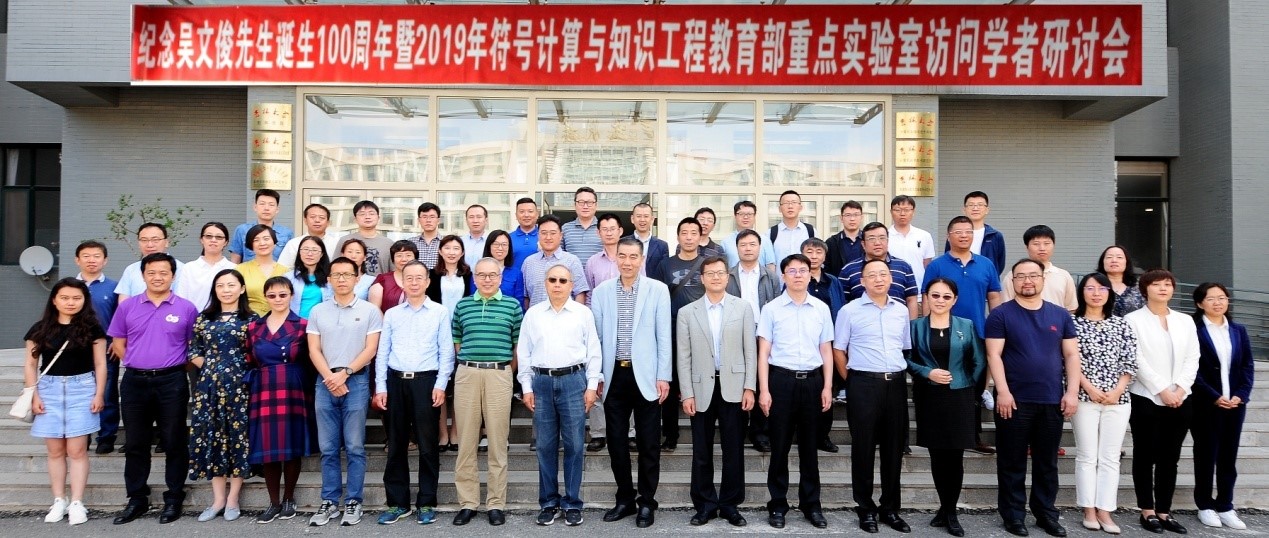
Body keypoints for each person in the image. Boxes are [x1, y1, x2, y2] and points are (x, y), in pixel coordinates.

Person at [985, 258, 1081, 538]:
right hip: (1013, 400)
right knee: (1011, 461)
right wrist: (1002, 391)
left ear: (1043, 279)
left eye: (1033, 276)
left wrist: (1072, 392)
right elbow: (994, 355)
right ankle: (1014, 516)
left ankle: (1046, 514)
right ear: (1012, 281)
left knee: (1047, 463)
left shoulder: (1060, 315)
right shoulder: (1001, 315)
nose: (1027, 281)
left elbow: (1071, 355)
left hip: (1051, 399)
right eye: (1021, 276)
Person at [108, 253, 199, 525]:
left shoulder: (186, 308)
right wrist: (139, 362)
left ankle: (174, 497)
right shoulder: (128, 306)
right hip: (135, 382)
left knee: (174, 440)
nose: (157, 277)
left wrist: (170, 366)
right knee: (136, 442)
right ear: (143, 275)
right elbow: (118, 343)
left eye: (163, 272)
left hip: (172, 382)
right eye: (151, 272)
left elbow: (192, 347)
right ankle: (137, 498)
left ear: (173, 276)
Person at [592, 237, 673, 528]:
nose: (627, 262)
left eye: (633, 257)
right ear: (616, 258)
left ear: (641, 259)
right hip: (614, 374)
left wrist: (664, 375)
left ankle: (647, 502)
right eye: (622, 256)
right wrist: (597, 375)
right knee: (616, 442)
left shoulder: (657, 290)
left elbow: (664, 336)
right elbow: (596, 338)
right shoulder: (601, 292)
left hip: (647, 375)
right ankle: (625, 498)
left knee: (649, 443)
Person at [518, 264, 602, 527]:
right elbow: (524, 352)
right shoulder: (533, 314)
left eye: (563, 280)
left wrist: (591, 385)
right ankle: (549, 502)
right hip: (541, 382)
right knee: (545, 445)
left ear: (571, 285)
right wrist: (526, 387)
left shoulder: (582, 314)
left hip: (573, 381)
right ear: (545, 283)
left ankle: (572, 502)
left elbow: (593, 351)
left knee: (575, 445)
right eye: (552, 279)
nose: (557, 284)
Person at [835, 259, 913, 534]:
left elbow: (904, 347)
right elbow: (839, 350)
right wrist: (853, 381)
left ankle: (890, 508)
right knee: (863, 448)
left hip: (895, 384)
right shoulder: (849, 311)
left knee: (893, 449)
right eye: (872, 275)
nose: (878, 279)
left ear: (891, 278)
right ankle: (865, 508)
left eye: (883, 274)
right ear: (862, 281)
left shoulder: (901, 310)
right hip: (863, 384)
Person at [374, 261, 455, 525]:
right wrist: (381, 386)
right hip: (396, 382)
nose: (414, 282)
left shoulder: (439, 312)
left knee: (428, 445)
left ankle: (426, 502)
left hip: (426, 382)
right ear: (403, 282)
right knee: (396, 444)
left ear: (428, 282)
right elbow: (382, 352)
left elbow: (446, 352)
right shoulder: (392, 314)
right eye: (409, 278)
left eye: (419, 277)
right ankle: (397, 503)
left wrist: (441, 384)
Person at [676, 256, 755, 527]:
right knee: (701, 450)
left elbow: (750, 351)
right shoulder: (687, 312)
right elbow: (683, 356)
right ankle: (705, 505)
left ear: (727, 277)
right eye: (710, 273)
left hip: (734, 387)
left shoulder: (742, 308)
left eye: (720, 273)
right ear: (702, 278)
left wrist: (750, 387)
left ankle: (730, 505)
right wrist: (687, 393)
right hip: (701, 389)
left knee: (734, 449)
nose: (716, 278)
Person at [305, 257, 384, 527]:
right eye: (336, 275)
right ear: (328, 279)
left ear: (357, 278)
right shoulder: (318, 311)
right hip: (325, 382)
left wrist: (345, 373)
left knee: (354, 446)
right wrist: (330, 377)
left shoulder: (370, 311)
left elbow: (370, 349)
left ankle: (353, 501)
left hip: (356, 381)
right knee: (328, 448)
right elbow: (313, 349)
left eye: (347, 274)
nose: (341, 279)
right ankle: (329, 501)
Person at [757, 254, 833, 530]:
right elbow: (763, 352)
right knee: (779, 447)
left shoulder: (821, 308)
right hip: (781, 381)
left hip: (812, 381)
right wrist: (764, 390)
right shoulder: (771, 309)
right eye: (792, 271)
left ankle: (811, 504)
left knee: (810, 448)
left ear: (810, 275)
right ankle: (778, 504)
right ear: (783, 276)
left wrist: (827, 386)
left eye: (803, 270)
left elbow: (826, 350)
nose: (798, 275)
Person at [907, 278, 986, 537]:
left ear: (954, 300)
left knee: (955, 457)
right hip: (929, 396)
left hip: (959, 397)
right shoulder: (915, 327)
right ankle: (944, 507)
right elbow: (906, 359)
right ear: (926, 297)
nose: (940, 300)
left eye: (946, 296)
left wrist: (968, 387)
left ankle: (950, 512)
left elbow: (979, 360)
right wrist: (927, 372)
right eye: (935, 295)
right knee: (937, 456)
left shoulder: (966, 325)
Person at [1124, 269, 1200, 535]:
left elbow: (1193, 357)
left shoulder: (1185, 320)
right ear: (1145, 290)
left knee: (1171, 457)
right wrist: (1162, 389)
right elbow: (1137, 359)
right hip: (1146, 397)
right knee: (1145, 456)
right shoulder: (1133, 320)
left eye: (1167, 284)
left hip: (1181, 398)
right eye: (1156, 284)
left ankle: (1165, 511)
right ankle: (1147, 510)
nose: (1163, 288)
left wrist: (1180, 389)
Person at [25, 278, 106, 526]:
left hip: (82, 389)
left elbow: (100, 363)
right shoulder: (39, 329)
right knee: (55, 451)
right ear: (54, 300)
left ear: (84, 301)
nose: (71, 302)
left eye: (76, 298)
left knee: (77, 450)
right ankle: (59, 500)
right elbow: (30, 364)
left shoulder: (93, 328)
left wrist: (99, 394)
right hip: (48, 390)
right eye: (65, 298)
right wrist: (34, 395)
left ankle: (77, 502)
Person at [450, 257, 523, 527]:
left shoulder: (512, 306)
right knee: (466, 441)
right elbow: (457, 341)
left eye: (492, 275)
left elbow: (517, 346)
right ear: (474, 278)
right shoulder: (463, 306)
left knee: (497, 441)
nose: (487, 279)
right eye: (482, 275)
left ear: (500, 277)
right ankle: (468, 503)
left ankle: (495, 503)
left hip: (499, 374)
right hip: (468, 373)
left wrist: (505, 371)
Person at [925, 216, 1003, 455]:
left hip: (977, 333)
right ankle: (944, 434)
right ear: (948, 236)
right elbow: (928, 299)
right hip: (943, 335)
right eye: (958, 232)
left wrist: (997, 329)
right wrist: (927, 330)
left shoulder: (986, 264)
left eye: (968, 232)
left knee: (975, 387)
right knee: (946, 386)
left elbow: (994, 298)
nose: (963, 236)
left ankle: (973, 436)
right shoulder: (937, 265)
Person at [245, 276, 317, 523]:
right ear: (265, 297)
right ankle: (273, 502)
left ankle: (288, 498)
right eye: (272, 295)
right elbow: (249, 359)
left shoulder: (303, 325)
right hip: (264, 386)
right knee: (268, 448)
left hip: (294, 385)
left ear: (291, 296)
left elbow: (310, 359)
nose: (277, 299)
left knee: (291, 445)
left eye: (283, 294)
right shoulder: (254, 327)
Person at [1070, 273, 1137, 535]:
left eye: (1102, 288)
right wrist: (1088, 387)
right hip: (1084, 398)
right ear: (1082, 292)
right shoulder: (1072, 323)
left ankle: (1105, 510)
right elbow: (1068, 360)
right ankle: (1088, 509)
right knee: (1087, 455)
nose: (1096, 293)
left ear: (1110, 293)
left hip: (1118, 400)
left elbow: (1130, 361)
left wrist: (1118, 389)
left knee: (1110, 457)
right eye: (1090, 288)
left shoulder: (1121, 324)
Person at [187, 269, 254, 523]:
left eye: (231, 285)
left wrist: (234, 370)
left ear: (242, 288)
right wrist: (212, 367)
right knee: (213, 437)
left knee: (238, 438)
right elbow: (193, 350)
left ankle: (233, 498)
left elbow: (255, 352)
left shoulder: (251, 319)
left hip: (240, 387)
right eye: (220, 286)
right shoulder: (204, 318)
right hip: (209, 387)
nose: (226, 290)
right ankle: (217, 500)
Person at [1191, 282, 1254, 530]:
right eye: (1211, 298)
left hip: (1235, 405)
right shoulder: (1194, 330)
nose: (1218, 302)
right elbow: (1192, 369)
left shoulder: (1238, 330)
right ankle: (1205, 505)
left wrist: (1241, 395)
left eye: (1222, 297)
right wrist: (1213, 396)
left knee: (1228, 457)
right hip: (1206, 404)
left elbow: (1247, 366)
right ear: (1200, 303)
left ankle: (1226, 505)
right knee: (1206, 456)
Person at [650, 217, 708, 452]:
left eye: (694, 233)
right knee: (671, 383)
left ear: (700, 237)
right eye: (684, 233)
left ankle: (701, 433)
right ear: (678, 236)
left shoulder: (708, 264)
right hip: (672, 330)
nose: (689, 237)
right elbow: (657, 297)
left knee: (701, 380)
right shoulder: (665, 265)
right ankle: (670, 435)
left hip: (702, 331)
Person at [728, 229, 782, 453]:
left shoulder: (771, 277)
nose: (748, 249)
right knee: (737, 381)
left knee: (762, 383)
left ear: (760, 248)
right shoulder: (728, 275)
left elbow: (777, 307)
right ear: (737, 249)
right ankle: (737, 430)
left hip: (763, 334)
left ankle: (760, 433)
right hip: (734, 334)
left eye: (752, 244)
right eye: (743, 245)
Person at [582, 213, 627, 451]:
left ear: (621, 231)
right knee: (597, 374)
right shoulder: (592, 262)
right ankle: (599, 432)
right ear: (598, 233)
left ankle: (630, 432)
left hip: (628, 324)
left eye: (613, 228)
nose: (609, 232)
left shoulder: (630, 258)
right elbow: (589, 294)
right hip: (599, 324)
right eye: (604, 229)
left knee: (629, 377)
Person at [73, 241, 120, 455]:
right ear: (77, 260)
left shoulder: (114, 287)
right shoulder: (68, 287)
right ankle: (80, 435)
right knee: (79, 394)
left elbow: (120, 318)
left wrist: (117, 341)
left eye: (96, 256)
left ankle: (106, 437)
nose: (91, 260)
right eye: (86, 256)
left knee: (107, 393)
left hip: (106, 349)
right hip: (75, 349)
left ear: (105, 260)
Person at [428, 235, 473, 451]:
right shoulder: (431, 275)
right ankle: (442, 433)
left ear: (462, 252)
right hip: (438, 333)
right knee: (440, 383)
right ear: (440, 251)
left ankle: (455, 431)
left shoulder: (469, 274)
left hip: (463, 333)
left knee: (459, 384)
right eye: (447, 248)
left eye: (456, 248)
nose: (452, 252)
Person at [801, 237, 843, 454]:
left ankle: (822, 436)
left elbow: (841, 310)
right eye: (809, 252)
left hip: (828, 342)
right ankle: (802, 434)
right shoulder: (796, 278)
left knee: (827, 389)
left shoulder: (833, 281)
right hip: (803, 342)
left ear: (825, 256)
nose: (814, 256)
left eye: (818, 252)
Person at [839, 222, 919, 319]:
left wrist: (912, 325)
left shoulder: (904, 267)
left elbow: (911, 299)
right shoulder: (848, 270)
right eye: (872, 238)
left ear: (888, 241)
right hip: (862, 324)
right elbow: (842, 302)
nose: (877, 243)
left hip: (897, 323)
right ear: (863, 244)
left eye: (882, 238)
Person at [1000, 225, 1077, 311]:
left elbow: (1071, 308)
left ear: (1053, 245)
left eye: (1046, 243)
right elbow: (1005, 308)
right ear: (1027, 247)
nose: (1042, 248)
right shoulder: (1015, 276)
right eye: (1036, 244)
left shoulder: (1064, 276)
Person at [522, 214, 589, 308]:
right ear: (538, 235)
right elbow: (526, 297)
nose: (548, 237)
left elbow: (580, 293)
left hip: (566, 316)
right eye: (544, 233)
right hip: (536, 316)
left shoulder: (572, 261)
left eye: (553, 233)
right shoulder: (529, 262)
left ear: (561, 235)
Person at [174, 222, 237, 311]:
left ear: (226, 242)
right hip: (194, 317)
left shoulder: (234, 268)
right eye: (208, 236)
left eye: (219, 237)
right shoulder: (189, 268)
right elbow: (181, 299)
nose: (213, 240)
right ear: (201, 240)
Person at [114, 222, 185, 302]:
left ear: (166, 242)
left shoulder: (182, 269)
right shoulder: (131, 270)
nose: (150, 245)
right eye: (144, 240)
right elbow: (123, 303)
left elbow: (183, 302)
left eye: (155, 240)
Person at [944, 191, 1006, 274]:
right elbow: (948, 257)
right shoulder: (955, 234)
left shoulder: (995, 236)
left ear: (987, 210)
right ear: (964, 210)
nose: (975, 208)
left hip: (985, 278)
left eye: (980, 205)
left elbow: (1000, 264)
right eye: (971, 205)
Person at [237, 224, 289, 316]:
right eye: (256, 240)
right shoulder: (240, 270)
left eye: (266, 239)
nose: (262, 243)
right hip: (250, 319)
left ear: (274, 242)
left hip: (280, 319)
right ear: (251, 244)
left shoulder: (286, 272)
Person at [229, 189, 294, 263]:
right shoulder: (242, 230)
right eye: (262, 204)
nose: (266, 208)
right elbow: (235, 260)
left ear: (277, 209)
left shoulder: (286, 233)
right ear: (255, 207)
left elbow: (290, 261)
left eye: (271, 205)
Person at [887, 195, 936, 294]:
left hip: (918, 291)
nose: (902, 214)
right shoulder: (884, 236)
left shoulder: (924, 236)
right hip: (891, 292)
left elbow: (927, 265)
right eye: (897, 210)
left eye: (907, 210)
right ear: (891, 212)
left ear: (913, 212)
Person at [336, 200, 394, 276]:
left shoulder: (388, 243)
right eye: (362, 214)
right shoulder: (345, 240)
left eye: (371, 213)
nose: (367, 217)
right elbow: (335, 267)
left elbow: (394, 271)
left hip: (380, 283)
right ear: (355, 219)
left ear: (378, 218)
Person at [278, 203, 340, 269]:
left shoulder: (337, 243)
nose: (317, 220)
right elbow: (282, 268)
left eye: (322, 218)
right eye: (312, 217)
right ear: (305, 220)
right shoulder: (294, 243)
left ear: (328, 222)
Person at [721, 200, 777, 270]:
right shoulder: (726, 242)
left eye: (749, 214)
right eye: (741, 214)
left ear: (754, 216)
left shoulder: (765, 240)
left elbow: (770, 266)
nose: (745, 217)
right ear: (735, 216)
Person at [285, 236, 333, 319]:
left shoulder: (330, 278)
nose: (309, 254)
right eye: (305, 249)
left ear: (322, 254)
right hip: (296, 324)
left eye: (314, 250)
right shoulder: (289, 277)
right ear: (299, 252)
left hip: (321, 323)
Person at [369, 240, 420, 314]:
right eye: (399, 255)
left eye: (408, 255)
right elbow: (375, 310)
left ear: (415, 258)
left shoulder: (423, 280)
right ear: (393, 259)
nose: (404, 259)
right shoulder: (382, 280)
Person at [1095, 245, 1146, 317]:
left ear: (1126, 262)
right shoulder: (1094, 286)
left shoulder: (1139, 287)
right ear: (1102, 262)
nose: (1114, 260)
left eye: (1119, 257)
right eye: (1109, 257)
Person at [562, 186, 603, 265]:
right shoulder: (565, 228)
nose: (585, 206)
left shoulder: (604, 228)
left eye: (590, 202)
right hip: (571, 273)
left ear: (596, 205)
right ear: (574, 205)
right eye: (581, 202)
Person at [770, 190, 816, 260]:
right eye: (786, 203)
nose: (790, 206)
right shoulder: (771, 233)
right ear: (780, 209)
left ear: (800, 207)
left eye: (794, 202)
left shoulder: (810, 231)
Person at [824, 200, 865, 277]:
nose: (852, 219)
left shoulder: (868, 240)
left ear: (862, 217)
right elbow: (826, 269)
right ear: (841, 218)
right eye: (848, 215)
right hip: (839, 283)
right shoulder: (831, 243)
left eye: (856, 215)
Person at [481, 230, 524, 301]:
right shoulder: (479, 271)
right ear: (489, 246)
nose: (500, 248)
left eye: (504, 244)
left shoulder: (516, 273)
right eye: (496, 244)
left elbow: (519, 301)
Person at [627, 201, 670, 273]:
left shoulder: (662, 246)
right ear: (632, 219)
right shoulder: (623, 243)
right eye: (638, 216)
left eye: (646, 216)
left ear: (652, 219)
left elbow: (664, 272)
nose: (642, 220)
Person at [510, 197, 541, 286]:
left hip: (539, 284)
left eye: (530, 211)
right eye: (522, 212)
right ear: (516, 215)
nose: (526, 215)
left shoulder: (545, 237)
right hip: (514, 285)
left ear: (537, 214)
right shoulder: (508, 238)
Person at [411, 202, 442, 269]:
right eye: (424, 217)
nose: (428, 220)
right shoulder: (411, 243)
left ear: (438, 220)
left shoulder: (446, 243)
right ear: (419, 220)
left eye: (432, 217)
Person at [461, 204, 489, 269]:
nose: (475, 221)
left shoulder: (492, 242)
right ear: (466, 220)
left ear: (486, 220)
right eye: (471, 217)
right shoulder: (460, 242)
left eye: (479, 217)